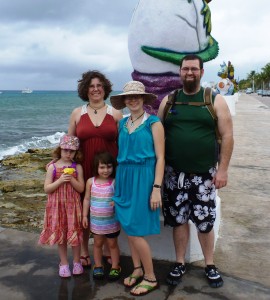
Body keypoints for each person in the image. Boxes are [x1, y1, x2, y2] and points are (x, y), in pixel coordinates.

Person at [157, 54, 234, 288]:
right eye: (185, 69)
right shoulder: (169, 101)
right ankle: (179, 262)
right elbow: (157, 134)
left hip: (204, 176)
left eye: (194, 69)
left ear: (201, 72)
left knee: (205, 222)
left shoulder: (214, 100)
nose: (189, 73)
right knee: (178, 220)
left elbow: (228, 136)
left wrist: (223, 170)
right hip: (173, 175)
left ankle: (209, 264)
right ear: (179, 72)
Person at [110, 81, 165, 296]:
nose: (132, 100)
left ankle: (150, 277)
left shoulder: (154, 123)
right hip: (123, 177)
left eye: (137, 96)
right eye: (128, 97)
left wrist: (156, 188)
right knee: (128, 226)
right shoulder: (121, 124)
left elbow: (161, 158)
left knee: (135, 229)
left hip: (144, 178)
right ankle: (137, 268)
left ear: (143, 99)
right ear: (124, 101)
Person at [68, 70, 122, 268]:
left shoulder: (115, 113)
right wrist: (58, 164)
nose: (96, 89)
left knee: (108, 207)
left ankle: (109, 247)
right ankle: (84, 249)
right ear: (85, 89)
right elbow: (69, 144)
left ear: (105, 88)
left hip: (109, 170)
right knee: (84, 207)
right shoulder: (77, 113)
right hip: (84, 170)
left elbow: (124, 144)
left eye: (99, 85)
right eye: (91, 86)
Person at [39, 134, 85, 278]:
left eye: (72, 151)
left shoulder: (77, 167)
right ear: (60, 150)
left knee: (75, 234)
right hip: (57, 206)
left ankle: (77, 262)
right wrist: (59, 181)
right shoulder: (52, 167)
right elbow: (47, 188)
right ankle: (64, 263)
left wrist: (71, 179)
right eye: (65, 150)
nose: (68, 153)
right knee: (61, 236)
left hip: (73, 206)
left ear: (76, 152)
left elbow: (81, 188)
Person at [82, 152, 121, 280]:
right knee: (97, 243)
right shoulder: (90, 182)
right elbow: (87, 199)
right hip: (96, 222)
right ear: (96, 168)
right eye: (102, 167)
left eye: (109, 167)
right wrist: (84, 216)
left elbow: (120, 198)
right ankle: (98, 265)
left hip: (111, 222)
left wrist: (116, 201)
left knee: (112, 244)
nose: (106, 170)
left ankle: (115, 266)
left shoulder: (114, 182)